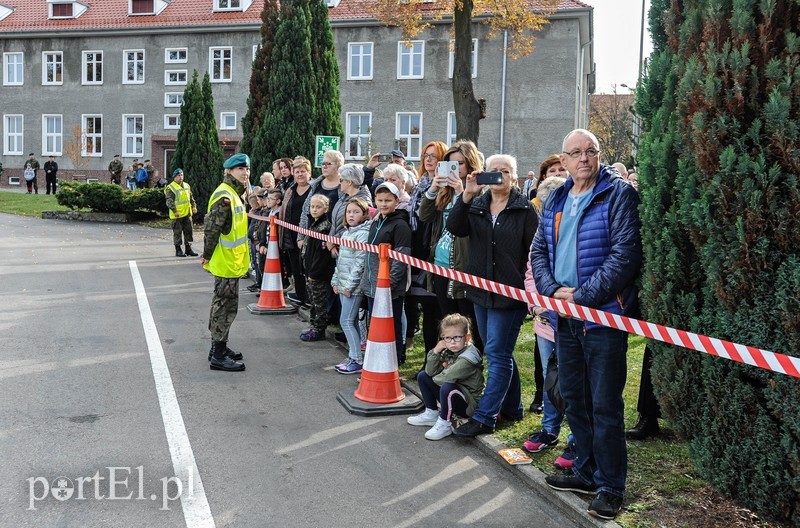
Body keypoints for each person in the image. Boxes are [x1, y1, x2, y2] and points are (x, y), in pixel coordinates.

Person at [532, 129, 642, 520]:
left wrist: (581, 296)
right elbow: (540, 250)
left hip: (602, 317)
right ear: (562, 160)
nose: (584, 159)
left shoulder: (618, 194)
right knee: (574, 398)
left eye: (590, 151)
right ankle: (585, 471)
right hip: (565, 317)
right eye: (575, 153)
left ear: (599, 155)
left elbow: (625, 254)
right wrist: (552, 291)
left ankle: (611, 485)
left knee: (605, 404)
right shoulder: (557, 197)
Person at [448, 153, 537, 437]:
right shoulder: (476, 204)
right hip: (480, 292)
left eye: (505, 171)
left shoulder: (524, 210)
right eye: (493, 171)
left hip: (509, 296)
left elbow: (534, 253)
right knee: (497, 351)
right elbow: (454, 227)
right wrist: (466, 195)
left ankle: (486, 416)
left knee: (497, 354)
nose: (499, 175)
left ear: (514, 176)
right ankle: (513, 408)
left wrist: (529, 291)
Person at [419, 139, 484, 352]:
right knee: (447, 319)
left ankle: (469, 366)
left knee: (466, 320)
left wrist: (461, 192)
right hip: (440, 263)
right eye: (450, 164)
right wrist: (433, 188)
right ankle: (450, 363)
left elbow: (473, 223)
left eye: (460, 164)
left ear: (471, 165)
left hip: (464, 266)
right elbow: (425, 215)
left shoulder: (478, 191)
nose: (455, 169)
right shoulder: (444, 191)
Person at [201, 153, 252, 372]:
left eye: (247, 169)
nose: (245, 173)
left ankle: (218, 348)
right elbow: (212, 229)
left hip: (231, 262)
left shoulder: (234, 193)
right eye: (241, 169)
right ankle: (219, 355)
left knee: (225, 306)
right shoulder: (225, 195)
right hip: (225, 262)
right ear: (229, 171)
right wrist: (207, 254)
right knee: (224, 308)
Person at [357, 182, 412, 364]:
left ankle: (394, 361)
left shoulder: (400, 225)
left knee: (391, 325)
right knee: (376, 326)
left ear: (397, 201)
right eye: (380, 200)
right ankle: (378, 361)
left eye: (388, 200)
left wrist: (389, 283)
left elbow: (401, 258)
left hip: (389, 288)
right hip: (373, 286)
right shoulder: (376, 221)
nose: (383, 204)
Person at [407, 314, 485, 441]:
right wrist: (435, 351)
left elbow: (445, 378)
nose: (452, 342)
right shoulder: (448, 350)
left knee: (448, 387)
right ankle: (431, 413)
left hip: (468, 404)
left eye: (457, 337)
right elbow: (430, 371)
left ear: (467, 337)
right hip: (453, 395)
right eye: (448, 338)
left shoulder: (469, 357)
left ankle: (445, 423)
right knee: (423, 376)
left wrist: (437, 377)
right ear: (442, 339)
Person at [404, 141, 448, 352]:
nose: (429, 160)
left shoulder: (446, 186)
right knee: (421, 301)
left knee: (434, 308)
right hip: (417, 248)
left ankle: (433, 357)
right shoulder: (420, 184)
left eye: (434, 156)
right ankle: (429, 355)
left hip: (435, 248)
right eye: (425, 156)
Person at [331, 197, 372, 374]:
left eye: (356, 212)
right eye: (349, 211)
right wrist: (335, 280)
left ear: (363, 214)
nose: (351, 215)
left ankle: (356, 359)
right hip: (343, 283)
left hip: (352, 287)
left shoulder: (362, 234)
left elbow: (359, 264)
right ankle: (353, 355)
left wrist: (349, 286)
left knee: (346, 321)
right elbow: (341, 261)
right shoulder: (347, 233)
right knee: (351, 321)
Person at [300, 194, 334, 342]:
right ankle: (313, 325)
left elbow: (321, 255)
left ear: (325, 209)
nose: (314, 209)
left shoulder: (324, 227)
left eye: (318, 207)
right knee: (313, 300)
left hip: (317, 272)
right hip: (309, 269)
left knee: (319, 301)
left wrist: (314, 273)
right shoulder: (313, 223)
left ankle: (319, 329)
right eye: (312, 206)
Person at [280, 157, 312, 307]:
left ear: (309, 173)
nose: (300, 174)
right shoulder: (290, 190)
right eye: (297, 172)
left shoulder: (313, 189)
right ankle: (301, 296)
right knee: (296, 267)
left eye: (303, 171)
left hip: (308, 234)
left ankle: (310, 297)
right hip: (291, 235)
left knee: (308, 267)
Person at [328, 163, 372, 239]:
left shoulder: (363, 201)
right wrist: (331, 239)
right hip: (337, 243)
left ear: (349, 182)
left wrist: (336, 239)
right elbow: (335, 223)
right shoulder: (343, 197)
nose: (339, 183)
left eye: (341, 180)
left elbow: (362, 225)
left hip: (351, 243)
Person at [165, 168, 198, 258]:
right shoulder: (171, 187)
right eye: (179, 175)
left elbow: (191, 197)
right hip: (177, 215)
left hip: (187, 213)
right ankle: (178, 250)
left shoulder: (186, 185)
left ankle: (188, 249)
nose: (181, 177)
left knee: (189, 231)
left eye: (182, 175)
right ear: (175, 177)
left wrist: (194, 206)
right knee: (177, 232)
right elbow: (169, 201)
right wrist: (174, 210)